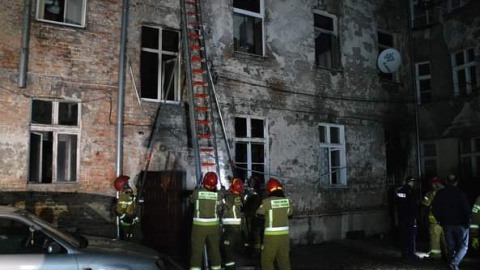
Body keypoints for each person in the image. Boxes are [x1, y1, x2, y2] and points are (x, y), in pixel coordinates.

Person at [431, 174, 471, 270]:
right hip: (461, 224)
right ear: (456, 182)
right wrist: (467, 223)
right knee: (464, 246)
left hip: (447, 224)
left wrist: (440, 220)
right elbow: (466, 209)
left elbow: (434, 209)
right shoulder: (461, 193)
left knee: (450, 246)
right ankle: (454, 263)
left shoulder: (440, 193)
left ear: (446, 182)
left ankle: (452, 264)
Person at [256, 178, 293, 270]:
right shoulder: (286, 201)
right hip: (284, 237)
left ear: (269, 190)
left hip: (271, 237)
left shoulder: (267, 201)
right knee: (284, 260)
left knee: (267, 261)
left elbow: (258, 214)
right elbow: (290, 215)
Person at [189, 172, 223, 270]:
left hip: (199, 227)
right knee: (215, 250)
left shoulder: (196, 193)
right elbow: (220, 207)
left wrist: (196, 189)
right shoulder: (218, 195)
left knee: (197, 251)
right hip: (214, 227)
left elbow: (191, 201)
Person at [221, 178, 244, 270]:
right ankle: (227, 263)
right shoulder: (238, 196)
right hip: (236, 225)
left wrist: (221, 195)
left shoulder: (230, 196)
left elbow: (226, 205)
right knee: (229, 246)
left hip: (230, 225)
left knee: (227, 247)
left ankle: (230, 267)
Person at [395, 176, 420, 261]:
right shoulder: (412, 192)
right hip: (410, 216)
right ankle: (411, 253)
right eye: (412, 182)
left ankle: (404, 253)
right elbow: (413, 204)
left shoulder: (399, 191)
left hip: (402, 216)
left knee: (403, 235)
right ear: (411, 182)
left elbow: (397, 203)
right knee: (411, 235)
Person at [421, 176, 445, 259]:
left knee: (435, 238)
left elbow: (425, 203)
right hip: (445, 220)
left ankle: (435, 255)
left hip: (434, 220)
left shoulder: (430, 193)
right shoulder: (445, 191)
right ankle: (448, 254)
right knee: (445, 238)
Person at [242, 175, 264, 257]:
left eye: (251, 182)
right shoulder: (253, 192)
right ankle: (252, 249)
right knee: (252, 233)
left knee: (256, 233)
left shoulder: (255, 193)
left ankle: (257, 251)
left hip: (254, 216)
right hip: (251, 215)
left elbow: (251, 204)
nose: (250, 183)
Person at [114, 175, 140, 241]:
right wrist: (127, 219)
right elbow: (119, 212)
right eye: (128, 182)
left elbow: (132, 204)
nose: (130, 184)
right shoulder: (124, 196)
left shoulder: (129, 194)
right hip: (127, 225)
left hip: (133, 222)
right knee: (134, 241)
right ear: (124, 185)